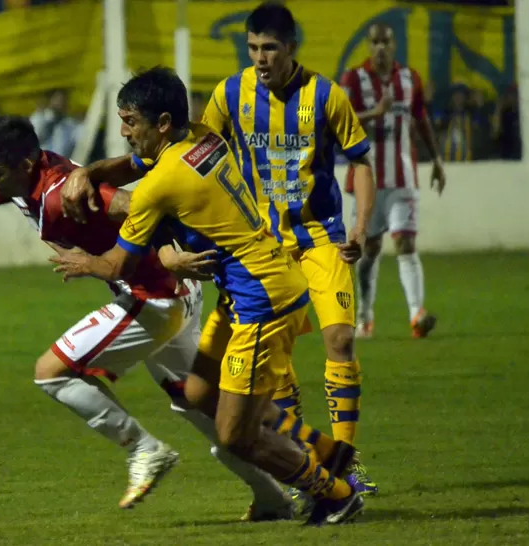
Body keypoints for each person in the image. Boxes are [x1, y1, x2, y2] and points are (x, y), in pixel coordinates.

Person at [0, 115, 296, 516]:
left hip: (152, 297)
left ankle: (144, 449)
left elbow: (134, 204)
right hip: (173, 295)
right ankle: (280, 493)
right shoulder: (17, 180)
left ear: (24, 166)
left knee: (52, 372)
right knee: (203, 410)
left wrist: (170, 250)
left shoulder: (64, 190)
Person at [49, 66, 364, 526]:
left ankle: (333, 494)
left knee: (234, 435)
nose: (123, 131)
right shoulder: (200, 136)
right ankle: (318, 446)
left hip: (262, 301)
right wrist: (93, 171)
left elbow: (118, 265)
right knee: (197, 391)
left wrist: (83, 261)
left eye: (130, 121)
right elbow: (135, 165)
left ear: (160, 124)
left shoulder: (161, 184)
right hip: (251, 284)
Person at [196, 2, 379, 496]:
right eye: (252, 47)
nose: (260, 57)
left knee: (340, 339)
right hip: (262, 250)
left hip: (321, 239)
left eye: (269, 48)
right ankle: (306, 466)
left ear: (290, 47)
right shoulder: (230, 94)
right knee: (276, 365)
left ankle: (346, 465)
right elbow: (200, 156)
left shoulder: (325, 95)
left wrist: (360, 227)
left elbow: (361, 162)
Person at [339, 23, 446, 341]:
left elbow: (420, 118)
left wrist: (437, 160)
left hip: (403, 178)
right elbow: (341, 120)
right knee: (368, 250)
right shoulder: (353, 79)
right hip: (366, 179)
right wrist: (375, 112)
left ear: (394, 44)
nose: (380, 47)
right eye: (375, 42)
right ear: (369, 46)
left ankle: (416, 314)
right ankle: (364, 317)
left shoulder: (409, 78)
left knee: (405, 244)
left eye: (386, 41)